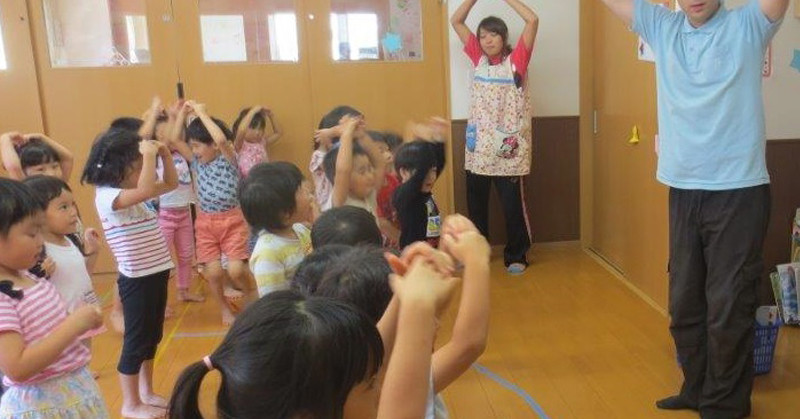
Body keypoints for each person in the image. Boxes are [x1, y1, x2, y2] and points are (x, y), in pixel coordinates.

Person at [597, 0, 789, 417]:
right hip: (684, 188)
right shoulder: (662, 26)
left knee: (729, 304)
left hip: (738, 190)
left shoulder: (748, 26)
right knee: (685, 303)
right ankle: (697, 387)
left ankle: (725, 405)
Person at [82, 98, 178, 419]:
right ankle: (130, 402)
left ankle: (147, 392)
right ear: (116, 170)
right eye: (136, 167)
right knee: (135, 342)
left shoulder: (134, 192)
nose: (141, 172)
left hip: (155, 272)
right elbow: (151, 186)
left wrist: (162, 153)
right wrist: (148, 155)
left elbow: (171, 184)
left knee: (152, 337)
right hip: (136, 279)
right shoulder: (108, 197)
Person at [0, 178, 108, 418]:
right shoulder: (3, 298)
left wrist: (82, 319)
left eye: (40, 230)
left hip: (72, 391)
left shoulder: (31, 277)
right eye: (31, 233)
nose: (40, 240)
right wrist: (73, 325)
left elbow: (48, 327)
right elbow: (17, 368)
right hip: (43, 405)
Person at [451, 0, 539, 274]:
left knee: (512, 205)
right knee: (476, 205)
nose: (487, 40)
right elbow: (456, 21)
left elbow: (533, 20)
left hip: (506, 146)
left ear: (504, 37)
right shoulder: (478, 59)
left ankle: (517, 254)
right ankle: (477, 253)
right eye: (482, 36)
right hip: (478, 147)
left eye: (492, 35)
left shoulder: (517, 61)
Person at [239, 162, 314, 297]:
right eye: (302, 191)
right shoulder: (267, 255)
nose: (310, 196)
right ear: (285, 214)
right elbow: (274, 302)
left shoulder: (300, 229)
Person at [232, 105, 283, 178]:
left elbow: (278, 133)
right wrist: (253, 111)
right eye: (253, 128)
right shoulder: (240, 144)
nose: (257, 132)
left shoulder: (262, 142)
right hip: (248, 182)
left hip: (263, 179)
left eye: (260, 128)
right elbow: (241, 130)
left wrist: (271, 116)